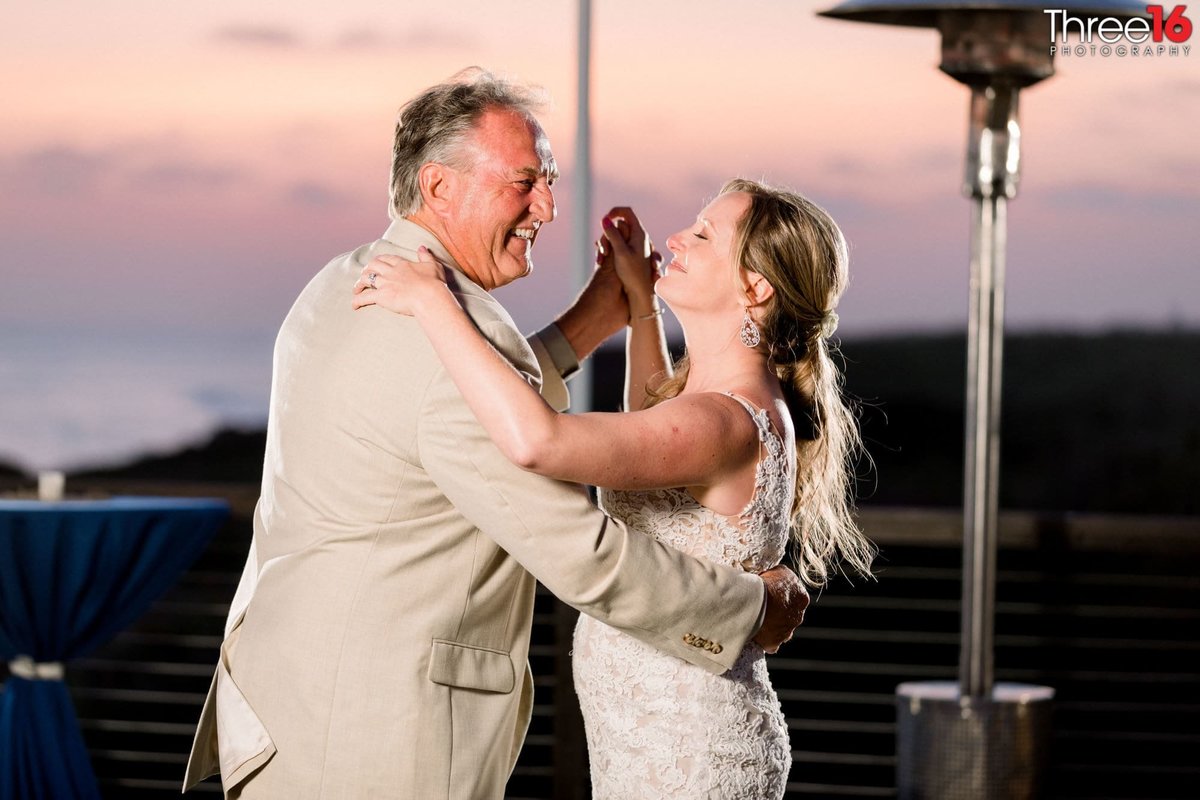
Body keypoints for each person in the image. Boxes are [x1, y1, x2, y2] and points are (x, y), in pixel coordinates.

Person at [183, 70, 810, 800]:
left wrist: (595, 321)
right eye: (525, 181)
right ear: (441, 187)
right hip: (377, 733)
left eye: (548, 180)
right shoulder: (443, 323)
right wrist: (748, 609)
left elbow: (452, 403)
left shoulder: (343, 282)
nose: (548, 205)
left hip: (286, 699)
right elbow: (584, 551)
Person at [353, 178, 877, 798]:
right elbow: (650, 423)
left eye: (704, 234)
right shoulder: (711, 406)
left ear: (755, 287)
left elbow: (539, 442)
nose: (678, 238)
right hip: (648, 739)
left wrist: (434, 304)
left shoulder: (725, 420)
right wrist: (639, 302)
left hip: (686, 752)